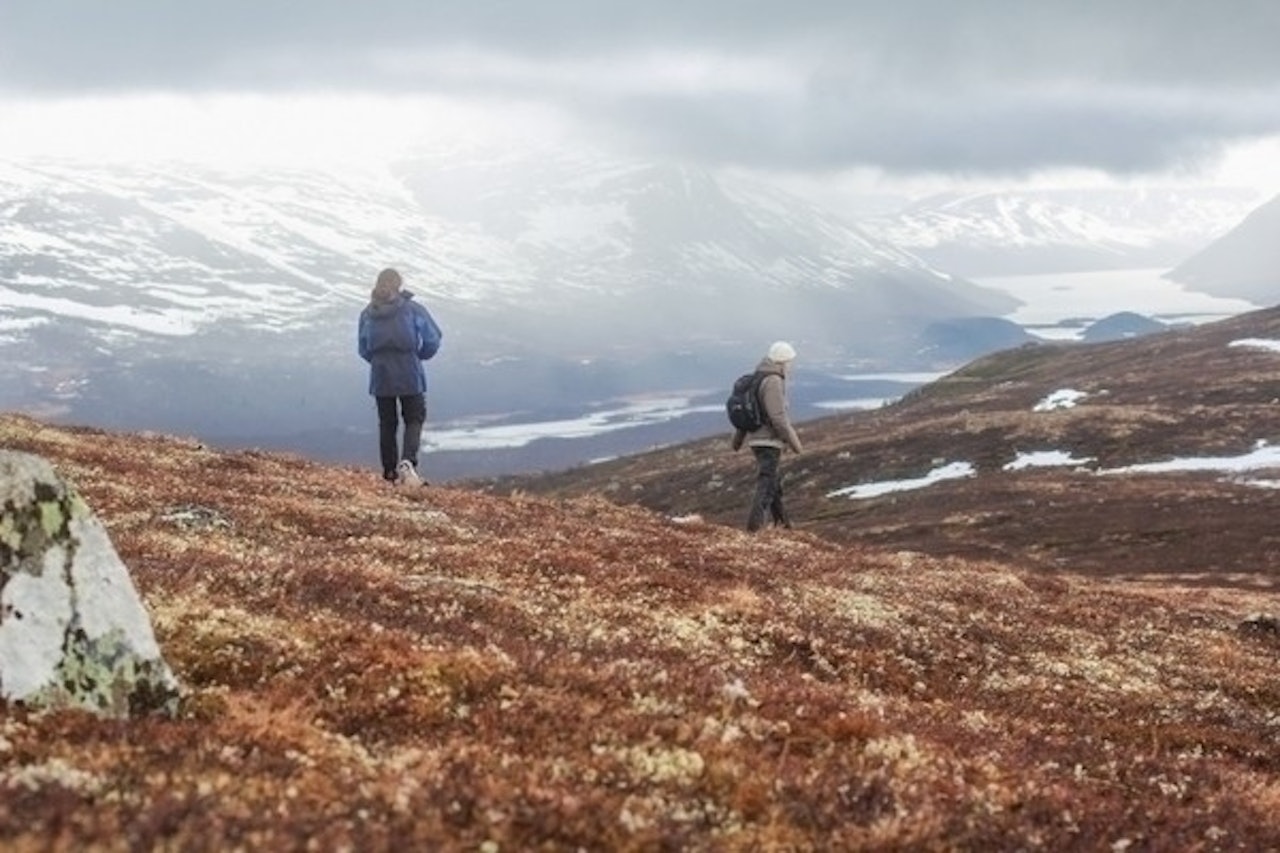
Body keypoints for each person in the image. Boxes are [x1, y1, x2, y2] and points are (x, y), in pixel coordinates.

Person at [357, 268, 443, 485]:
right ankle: (408, 463)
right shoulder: (412, 309)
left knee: (387, 422)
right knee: (414, 417)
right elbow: (433, 337)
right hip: (409, 370)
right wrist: (420, 356)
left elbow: (363, 348)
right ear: (399, 285)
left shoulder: (368, 313)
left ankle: (389, 473)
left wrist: (378, 361)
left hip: (380, 373)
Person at [731, 341, 803, 531]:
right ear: (783, 361)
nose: (791, 366)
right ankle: (754, 529)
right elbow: (778, 417)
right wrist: (796, 445)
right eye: (790, 362)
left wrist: (737, 441)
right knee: (766, 483)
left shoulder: (757, 377)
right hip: (769, 441)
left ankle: (784, 525)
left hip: (756, 439)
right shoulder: (773, 381)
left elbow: (748, 413)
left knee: (773, 484)